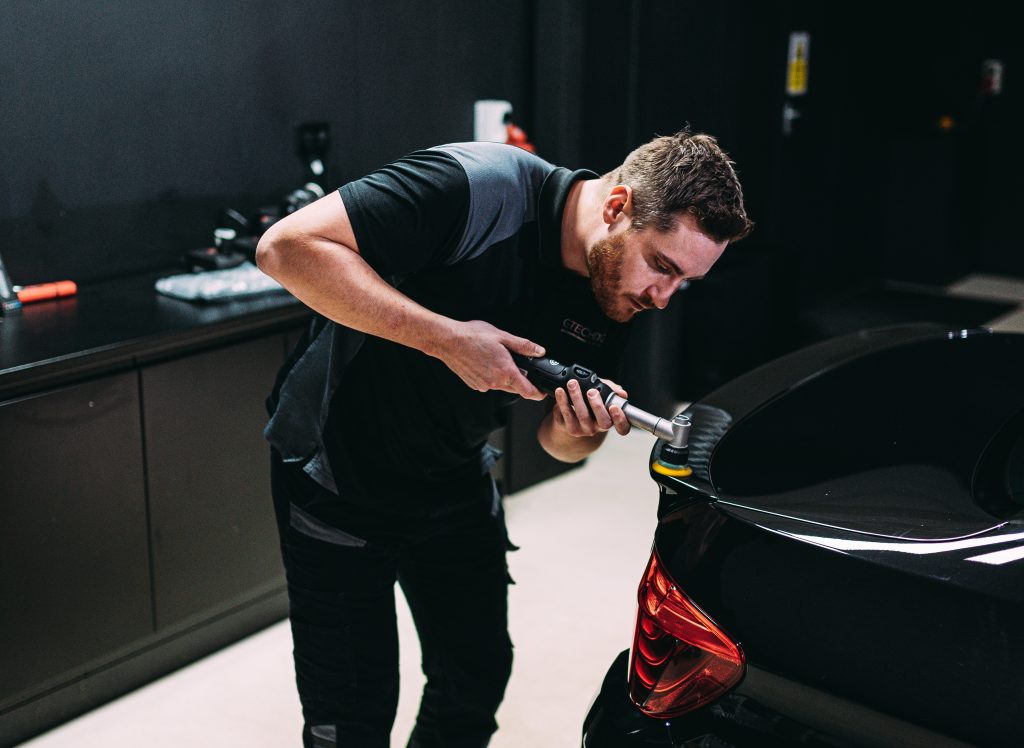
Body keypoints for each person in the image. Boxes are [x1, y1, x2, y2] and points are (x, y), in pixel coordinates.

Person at [255, 128, 752, 748]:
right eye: (663, 266)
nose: (663, 297)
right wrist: (445, 339)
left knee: (474, 682)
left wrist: (577, 429)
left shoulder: (616, 287)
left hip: (452, 472)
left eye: (684, 282)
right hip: (338, 468)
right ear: (618, 206)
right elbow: (284, 249)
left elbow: (556, 444)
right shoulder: (479, 188)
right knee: (350, 719)